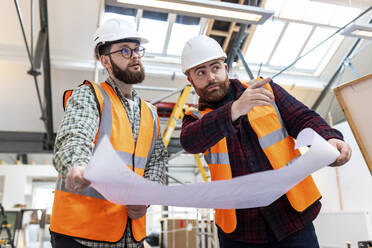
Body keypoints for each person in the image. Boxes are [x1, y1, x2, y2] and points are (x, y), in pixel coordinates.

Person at [180, 35, 352, 248]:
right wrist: (234, 110)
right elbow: (190, 142)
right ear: (190, 80)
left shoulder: (265, 90)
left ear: (225, 68)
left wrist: (329, 138)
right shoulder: (195, 118)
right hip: (240, 231)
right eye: (201, 72)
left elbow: (302, 118)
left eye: (215, 68)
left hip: (291, 217)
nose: (211, 77)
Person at [49, 19, 167, 248]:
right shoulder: (89, 95)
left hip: (130, 237)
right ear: (105, 60)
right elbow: (74, 136)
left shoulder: (150, 112)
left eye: (137, 49)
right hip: (81, 235)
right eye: (125, 50)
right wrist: (76, 167)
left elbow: (156, 162)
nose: (135, 56)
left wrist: (147, 198)